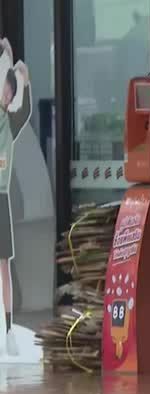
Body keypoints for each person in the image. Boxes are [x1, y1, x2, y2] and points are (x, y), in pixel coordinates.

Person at [0, 39, 32, 356]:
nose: (6, 93)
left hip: (1, 198)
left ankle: (8, 331)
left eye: (10, 91)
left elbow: (25, 108)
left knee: (3, 267)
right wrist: (7, 54)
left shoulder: (9, 122)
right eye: (4, 88)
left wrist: (22, 75)